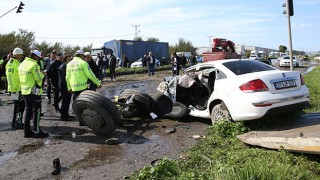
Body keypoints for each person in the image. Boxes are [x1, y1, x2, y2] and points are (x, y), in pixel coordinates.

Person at [18, 50, 48, 138]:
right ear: (35, 57)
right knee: (37, 111)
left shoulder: (22, 64)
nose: (38, 59)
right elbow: (38, 78)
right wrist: (43, 74)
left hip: (24, 90)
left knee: (28, 111)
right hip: (33, 91)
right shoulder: (34, 65)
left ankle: (26, 132)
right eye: (38, 57)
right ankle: (37, 131)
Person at [5, 47, 25, 129]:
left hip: (16, 88)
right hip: (16, 89)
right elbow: (10, 77)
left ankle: (15, 122)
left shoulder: (15, 62)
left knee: (18, 106)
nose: (22, 56)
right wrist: (13, 90)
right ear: (17, 55)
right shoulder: (12, 63)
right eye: (21, 55)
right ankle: (18, 122)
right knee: (20, 105)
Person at [58, 55, 73, 121]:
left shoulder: (65, 66)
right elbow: (65, 79)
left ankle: (66, 114)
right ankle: (63, 116)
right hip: (64, 86)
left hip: (64, 85)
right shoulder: (64, 66)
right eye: (69, 59)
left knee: (67, 101)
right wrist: (68, 88)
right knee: (65, 102)